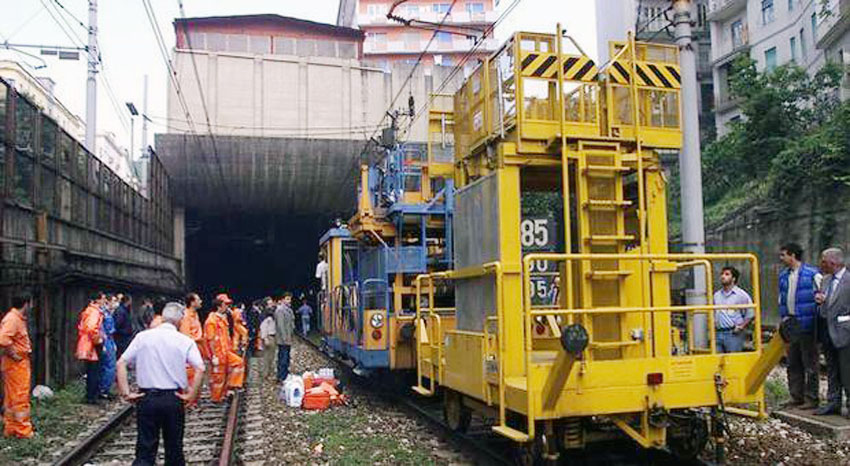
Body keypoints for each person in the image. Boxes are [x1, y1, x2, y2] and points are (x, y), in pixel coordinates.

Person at [116, 302, 205, 466]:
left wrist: (126, 393)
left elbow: (121, 362)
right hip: (173, 399)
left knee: (145, 449)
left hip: (147, 398)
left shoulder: (142, 337)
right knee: (174, 448)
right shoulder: (185, 341)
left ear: (163, 317)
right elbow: (200, 368)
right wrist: (191, 395)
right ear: (180, 320)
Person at [778, 242, 823, 409]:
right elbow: (782, 299)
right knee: (793, 362)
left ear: (792, 255)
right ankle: (796, 396)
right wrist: (783, 318)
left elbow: (821, 295)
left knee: (810, 362)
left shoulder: (811, 274)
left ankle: (811, 398)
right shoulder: (784, 275)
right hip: (791, 324)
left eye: (783, 254)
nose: (781, 258)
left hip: (807, 323)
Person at [815, 248, 850, 416]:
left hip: (845, 333)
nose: (821, 264)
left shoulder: (849, 281)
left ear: (833, 262)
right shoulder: (825, 280)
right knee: (832, 370)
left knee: (847, 370)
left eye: (823, 260)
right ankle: (833, 402)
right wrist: (821, 302)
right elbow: (826, 306)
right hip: (827, 331)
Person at [0, 294, 34, 438]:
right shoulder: (13, 319)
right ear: (26, 303)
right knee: (20, 396)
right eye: (31, 303)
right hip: (16, 364)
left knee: (12, 398)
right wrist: (14, 355)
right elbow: (3, 339)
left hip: (15, 363)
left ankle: (11, 428)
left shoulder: (15, 318)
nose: (32, 306)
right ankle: (22, 430)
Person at [204, 294, 244, 402]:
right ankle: (216, 399)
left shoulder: (223, 318)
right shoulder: (211, 321)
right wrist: (213, 356)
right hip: (218, 354)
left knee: (238, 363)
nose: (227, 306)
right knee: (218, 378)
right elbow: (210, 340)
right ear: (219, 305)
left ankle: (231, 387)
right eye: (225, 304)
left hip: (225, 352)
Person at [713, 266, 754, 353]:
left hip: (733, 333)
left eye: (727, 274)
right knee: (717, 362)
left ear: (734, 279)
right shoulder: (716, 295)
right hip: (718, 333)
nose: (723, 276)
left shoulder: (741, 295)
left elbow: (750, 313)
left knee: (733, 361)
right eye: (722, 274)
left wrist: (741, 326)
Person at [77, 292, 105, 405]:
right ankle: (92, 396)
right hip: (92, 344)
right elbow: (91, 328)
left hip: (87, 343)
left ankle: (91, 395)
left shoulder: (89, 310)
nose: (104, 301)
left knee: (91, 370)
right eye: (102, 299)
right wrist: (98, 340)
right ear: (97, 300)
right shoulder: (94, 312)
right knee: (95, 370)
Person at [180, 293, 206, 408]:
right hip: (190, 351)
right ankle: (189, 402)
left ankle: (194, 400)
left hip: (198, 349)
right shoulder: (186, 316)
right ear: (192, 302)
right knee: (191, 375)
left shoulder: (195, 315)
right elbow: (186, 336)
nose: (201, 301)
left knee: (197, 374)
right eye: (198, 299)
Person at [99, 297, 118, 399]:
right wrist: (104, 344)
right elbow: (100, 328)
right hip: (106, 340)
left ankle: (105, 388)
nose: (116, 303)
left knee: (109, 366)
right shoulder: (103, 313)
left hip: (110, 339)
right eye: (114, 301)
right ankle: (103, 389)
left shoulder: (108, 313)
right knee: (109, 366)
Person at [274, 293, 295, 382]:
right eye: (287, 299)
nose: (288, 301)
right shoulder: (280, 310)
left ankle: (285, 374)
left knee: (286, 357)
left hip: (287, 338)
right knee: (283, 357)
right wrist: (285, 338)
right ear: (282, 300)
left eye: (289, 299)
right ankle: (281, 376)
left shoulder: (288, 309)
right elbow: (280, 325)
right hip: (283, 339)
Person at [259, 308, 277, 380]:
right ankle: (265, 373)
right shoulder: (268, 320)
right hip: (269, 337)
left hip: (272, 337)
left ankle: (268, 372)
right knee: (267, 356)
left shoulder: (271, 319)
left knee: (271, 356)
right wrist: (265, 338)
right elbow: (263, 329)